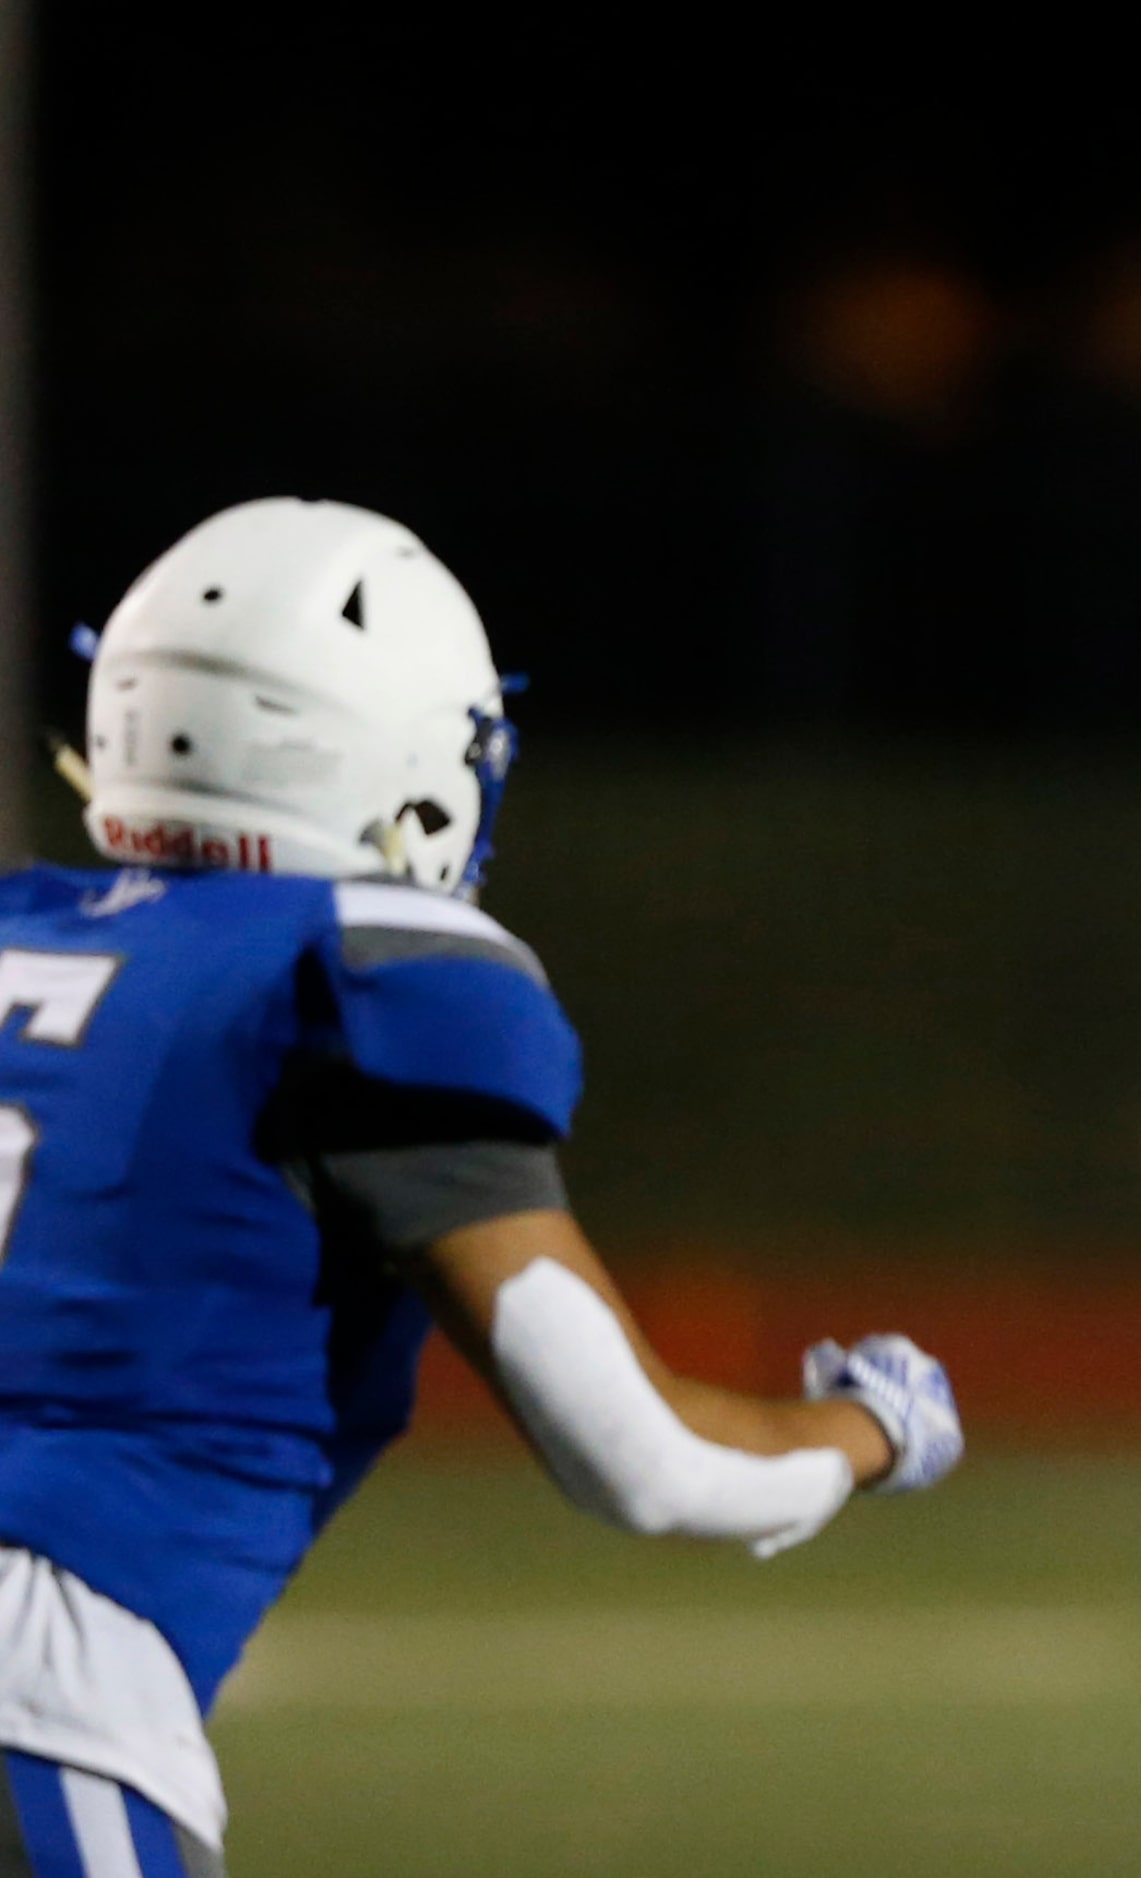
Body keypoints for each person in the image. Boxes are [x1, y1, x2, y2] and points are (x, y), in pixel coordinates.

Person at [0, 498, 965, 1877]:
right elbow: (651, 1464)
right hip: (42, 1683)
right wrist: (875, 1423)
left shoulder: (22, 927)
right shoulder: (357, 969)